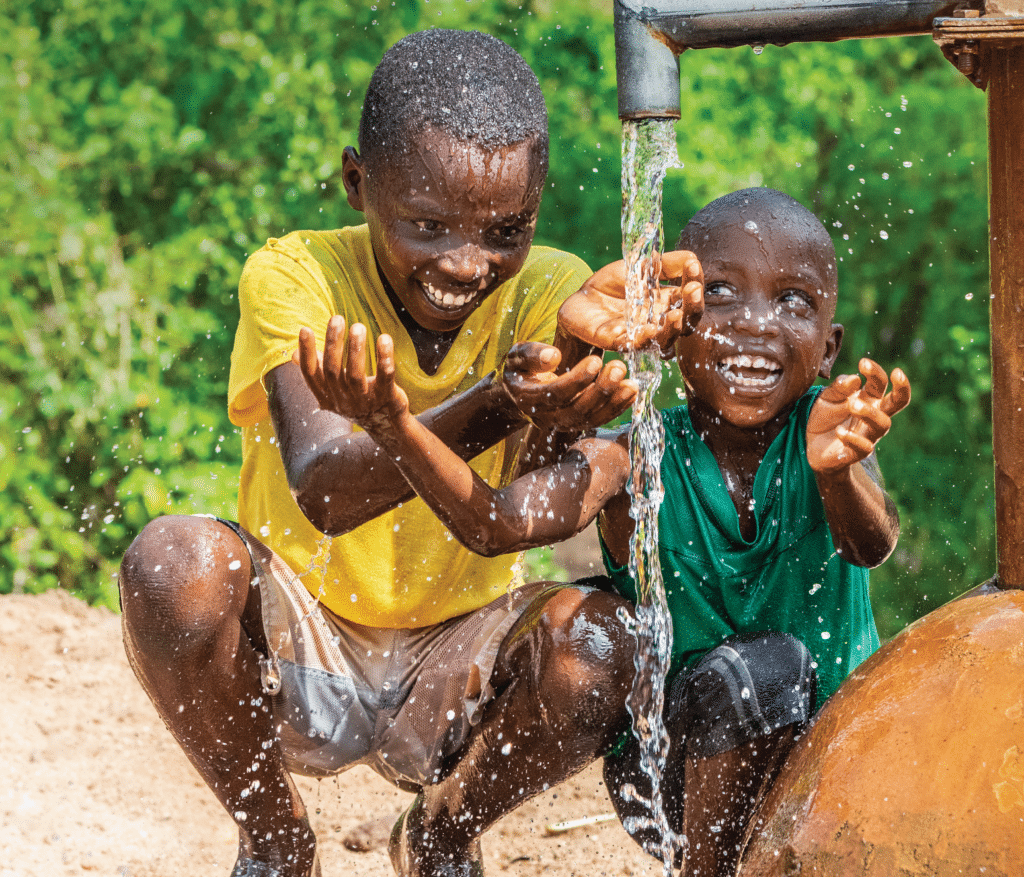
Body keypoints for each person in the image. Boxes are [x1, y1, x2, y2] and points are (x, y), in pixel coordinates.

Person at [118, 28, 701, 877]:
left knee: (607, 642)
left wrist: (568, 399)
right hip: (298, 644)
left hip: (454, 663)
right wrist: (496, 396)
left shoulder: (550, 290)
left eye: (505, 230)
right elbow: (324, 487)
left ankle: (440, 833)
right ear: (358, 182)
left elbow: (515, 515)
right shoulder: (295, 277)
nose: (466, 264)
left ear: (536, 210)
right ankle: (277, 842)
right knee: (172, 563)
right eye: (428, 225)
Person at [318, 187, 911, 876]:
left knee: (801, 675)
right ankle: (454, 827)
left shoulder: (829, 430)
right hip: (673, 780)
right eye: (719, 293)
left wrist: (837, 475)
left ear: (829, 346)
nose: (755, 323)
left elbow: (871, 544)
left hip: (830, 772)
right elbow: (497, 522)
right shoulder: (635, 455)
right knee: (725, 656)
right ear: (673, 323)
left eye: (793, 302)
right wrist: (396, 428)